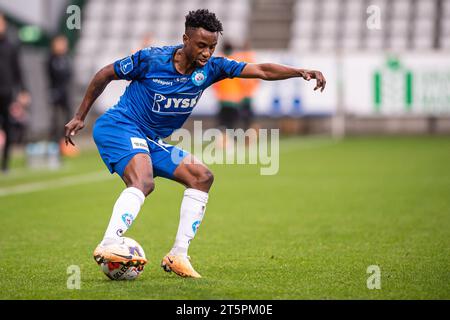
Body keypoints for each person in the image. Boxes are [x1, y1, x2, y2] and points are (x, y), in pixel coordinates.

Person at [65, 9, 326, 278]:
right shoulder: (151, 59)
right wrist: (79, 116)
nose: (206, 53)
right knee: (143, 181)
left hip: (148, 139)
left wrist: (299, 71)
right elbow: (105, 74)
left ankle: (178, 254)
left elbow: (260, 70)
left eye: (211, 47)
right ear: (185, 39)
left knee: (201, 176)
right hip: (119, 126)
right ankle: (110, 241)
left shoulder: (212, 68)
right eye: (201, 45)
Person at [0, 13, 27, 173]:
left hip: (6, 93)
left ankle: (5, 163)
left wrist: (23, 90)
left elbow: (18, 71)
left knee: (8, 127)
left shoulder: (10, 46)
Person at [47, 35, 72, 147]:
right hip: (55, 91)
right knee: (55, 118)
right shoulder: (51, 59)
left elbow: (68, 75)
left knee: (68, 116)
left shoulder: (66, 59)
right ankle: (54, 141)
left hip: (65, 91)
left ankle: (65, 140)